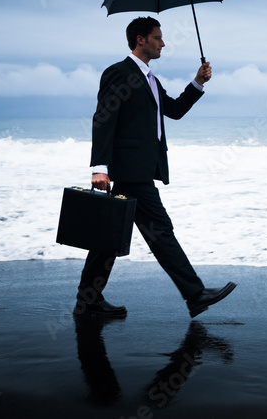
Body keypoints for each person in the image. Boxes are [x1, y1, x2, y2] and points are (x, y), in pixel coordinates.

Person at [74, 16, 235, 318]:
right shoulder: (118, 73)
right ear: (141, 40)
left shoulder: (151, 80)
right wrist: (99, 166)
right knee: (160, 230)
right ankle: (195, 294)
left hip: (140, 169)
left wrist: (197, 82)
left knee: (110, 235)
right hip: (128, 170)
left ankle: (88, 301)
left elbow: (173, 110)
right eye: (158, 38)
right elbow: (104, 119)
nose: (163, 43)